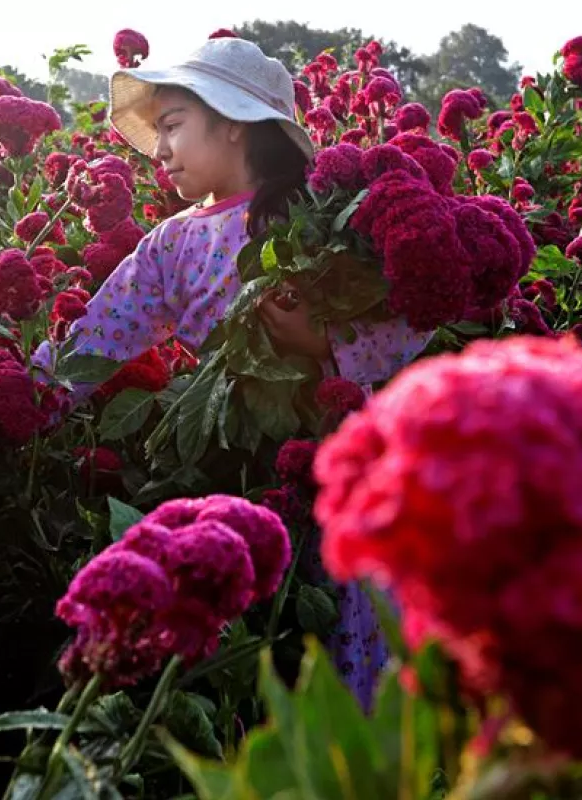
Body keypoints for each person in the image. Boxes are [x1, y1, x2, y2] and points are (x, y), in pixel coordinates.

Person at [34, 36, 430, 708]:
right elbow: (95, 339)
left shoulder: (316, 219)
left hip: (330, 470)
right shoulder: (173, 240)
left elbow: (412, 322)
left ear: (233, 122)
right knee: (241, 651)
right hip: (226, 461)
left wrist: (324, 340)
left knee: (329, 638)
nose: (158, 151)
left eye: (172, 126)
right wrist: (27, 394)